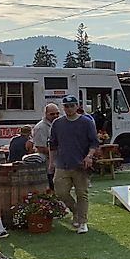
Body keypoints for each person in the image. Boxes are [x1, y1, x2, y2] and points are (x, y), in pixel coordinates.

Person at [49, 94, 99, 234]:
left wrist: (89, 156)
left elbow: (94, 142)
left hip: (81, 164)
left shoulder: (86, 122)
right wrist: (51, 162)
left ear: (77, 106)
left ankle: (82, 222)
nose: (69, 108)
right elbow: (53, 144)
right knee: (60, 192)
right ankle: (76, 211)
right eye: (66, 106)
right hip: (62, 164)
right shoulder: (57, 123)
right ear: (63, 107)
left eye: (72, 105)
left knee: (82, 193)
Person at [30, 103, 60, 189]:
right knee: (52, 188)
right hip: (47, 164)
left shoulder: (57, 124)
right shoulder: (41, 127)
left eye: (57, 113)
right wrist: (58, 152)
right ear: (46, 114)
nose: (55, 115)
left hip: (58, 163)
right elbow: (40, 147)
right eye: (52, 114)